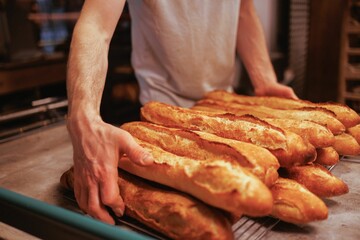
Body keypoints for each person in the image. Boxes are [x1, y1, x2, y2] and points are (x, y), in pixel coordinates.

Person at [66, 0, 297, 224]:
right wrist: (84, 118)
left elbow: (243, 10)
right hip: (158, 120)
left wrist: (264, 80)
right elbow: (96, 24)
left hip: (223, 110)